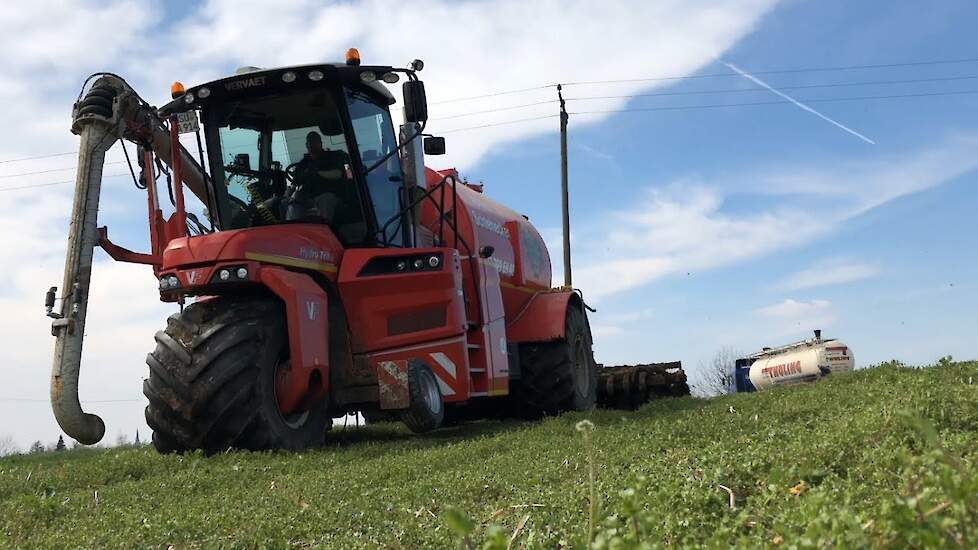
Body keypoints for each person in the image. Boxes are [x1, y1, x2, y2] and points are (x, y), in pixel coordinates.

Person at [287, 131, 352, 221]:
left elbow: (337, 174)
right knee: (287, 202)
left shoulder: (331, 157)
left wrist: (318, 173)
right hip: (307, 197)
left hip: (329, 194)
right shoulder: (303, 163)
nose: (311, 144)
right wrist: (287, 193)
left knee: (324, 200)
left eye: (314, 141)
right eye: (309, 142)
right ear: (306, 145)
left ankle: (324, 230)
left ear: (320, 143)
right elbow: (294, 183)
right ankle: (292, 230)